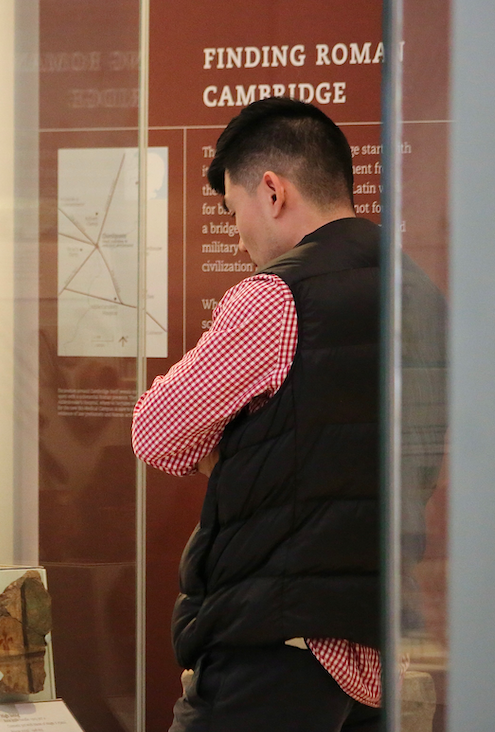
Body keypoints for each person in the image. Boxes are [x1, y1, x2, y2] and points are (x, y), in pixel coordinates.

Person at [134, 98, 391, 731]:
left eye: (233, 209)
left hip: (273, 645)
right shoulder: (417, 289)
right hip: (374, 645)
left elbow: (157, 430)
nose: (239, 234)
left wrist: (238, 447)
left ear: (272, 192)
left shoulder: (276, 296)